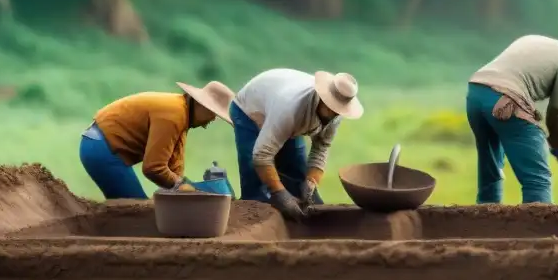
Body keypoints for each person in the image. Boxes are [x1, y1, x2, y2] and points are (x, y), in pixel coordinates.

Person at [465, 25, 558, 205]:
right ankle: (538, 231)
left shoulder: (534, 41)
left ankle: (483, 224)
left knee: (491, 169)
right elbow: (557, 111)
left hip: (475, 94)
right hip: (505, 102)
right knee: (538, 179)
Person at [230, 68, 363, 221]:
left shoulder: (336, 116)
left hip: (286, 117)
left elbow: (322, 147)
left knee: (299, 183)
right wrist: (280, 194)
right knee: (256, 189)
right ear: (321, 98)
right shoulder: (290, 109)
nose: (334, 112)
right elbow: (261, 156)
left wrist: (312, 181)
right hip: (250, 110)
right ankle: (256, 229)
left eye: (337, 110)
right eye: (331, 107)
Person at [79, 81, 235, 200]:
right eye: (213, 114)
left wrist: (185, 187)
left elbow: (173, 165)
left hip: (99, 144)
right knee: (135, 211)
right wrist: (183, 187)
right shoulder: (173, 116)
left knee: (138, 210)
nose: (213, 119)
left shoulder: (181, 114)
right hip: (101, 148)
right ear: (203, 106)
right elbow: (154, 168)